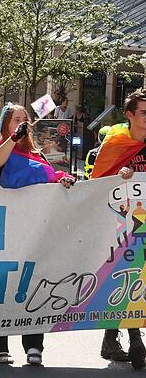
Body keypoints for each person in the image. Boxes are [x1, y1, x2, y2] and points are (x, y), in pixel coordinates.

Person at [0, 104, 75, 365]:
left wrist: (61, 180)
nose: (21, 122)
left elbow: (48, 179)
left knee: (34, 285)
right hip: (3, 231)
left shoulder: (36, 154)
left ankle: (34, 344)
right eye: (15, 119)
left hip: (34, 231)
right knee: (3, 288)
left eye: (24, 119)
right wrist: (13, 139)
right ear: (6, 124)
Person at [90, 88, 146, 369]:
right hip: (121, 223)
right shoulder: (115, 142)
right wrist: (118, 175)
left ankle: (111, 340)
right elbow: (96, 180)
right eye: (144, 112)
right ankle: (135, 338)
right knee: (131, 276)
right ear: (130, 115)